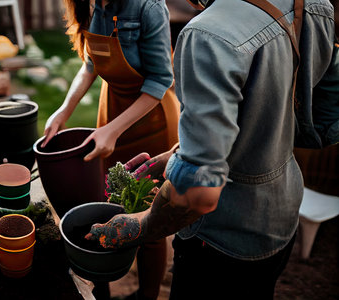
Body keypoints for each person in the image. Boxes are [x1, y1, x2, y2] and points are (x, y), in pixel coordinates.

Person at [86, 0, 339, 299]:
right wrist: (181, 155)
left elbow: (198, 196)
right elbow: (323, 123)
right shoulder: (313, 4)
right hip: (281, 219)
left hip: (222, 241)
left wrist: (139, 226)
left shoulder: (207, 34)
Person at [41, 0, 180, 299]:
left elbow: (160, 80)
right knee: (111, 203)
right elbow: (91, 63)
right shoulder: (91, 6)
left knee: (149, 216)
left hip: (150, 120)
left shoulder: (149, 7)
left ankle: (148, 294)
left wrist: (113, 130)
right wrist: (64, 110)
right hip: (112, 110)